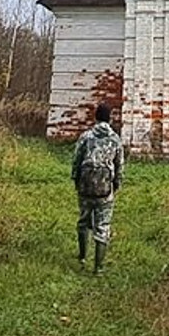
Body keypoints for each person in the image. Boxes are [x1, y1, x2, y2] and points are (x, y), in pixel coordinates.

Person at [71, 102, 124, 274]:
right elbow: (119, 165)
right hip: (104, 189)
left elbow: (76, 160)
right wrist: (116, 184)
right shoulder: (115, 139)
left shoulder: (86, 137)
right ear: (109, 118)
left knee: (83, 220)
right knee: (103, 225)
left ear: (96, 117)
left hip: (85, 187)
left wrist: (76, 180)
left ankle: (82, 256)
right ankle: (98, 268)